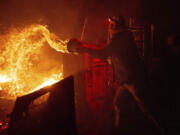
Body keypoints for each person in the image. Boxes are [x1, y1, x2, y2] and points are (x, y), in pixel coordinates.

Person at [67, 16, 162, 135]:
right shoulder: (118, 38)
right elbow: (104, 50)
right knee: (119, 104)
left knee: (147, 109)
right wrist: (84, 46)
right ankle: (119, 131)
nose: (109, 27)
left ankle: (163, 128)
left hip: (134, 80)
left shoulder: (121, 40)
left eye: (112, 24)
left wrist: (84, 49)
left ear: (118, 26)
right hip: (125, 81)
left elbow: (103, 53)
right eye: (110, 24)